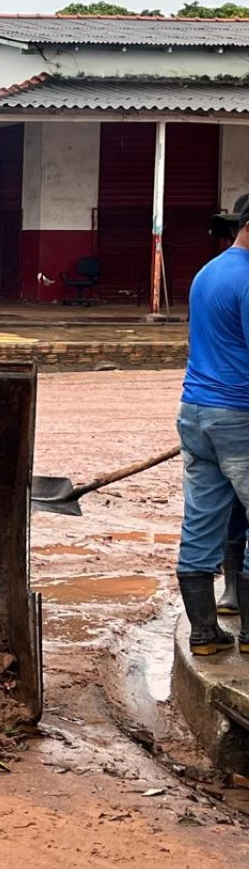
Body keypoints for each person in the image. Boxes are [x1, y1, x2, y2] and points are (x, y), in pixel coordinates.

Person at [175, 195, 249, 656]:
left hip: (196, 412)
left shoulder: (209, 272)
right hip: (239, 416)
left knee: (201, 521)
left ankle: (204, 635)